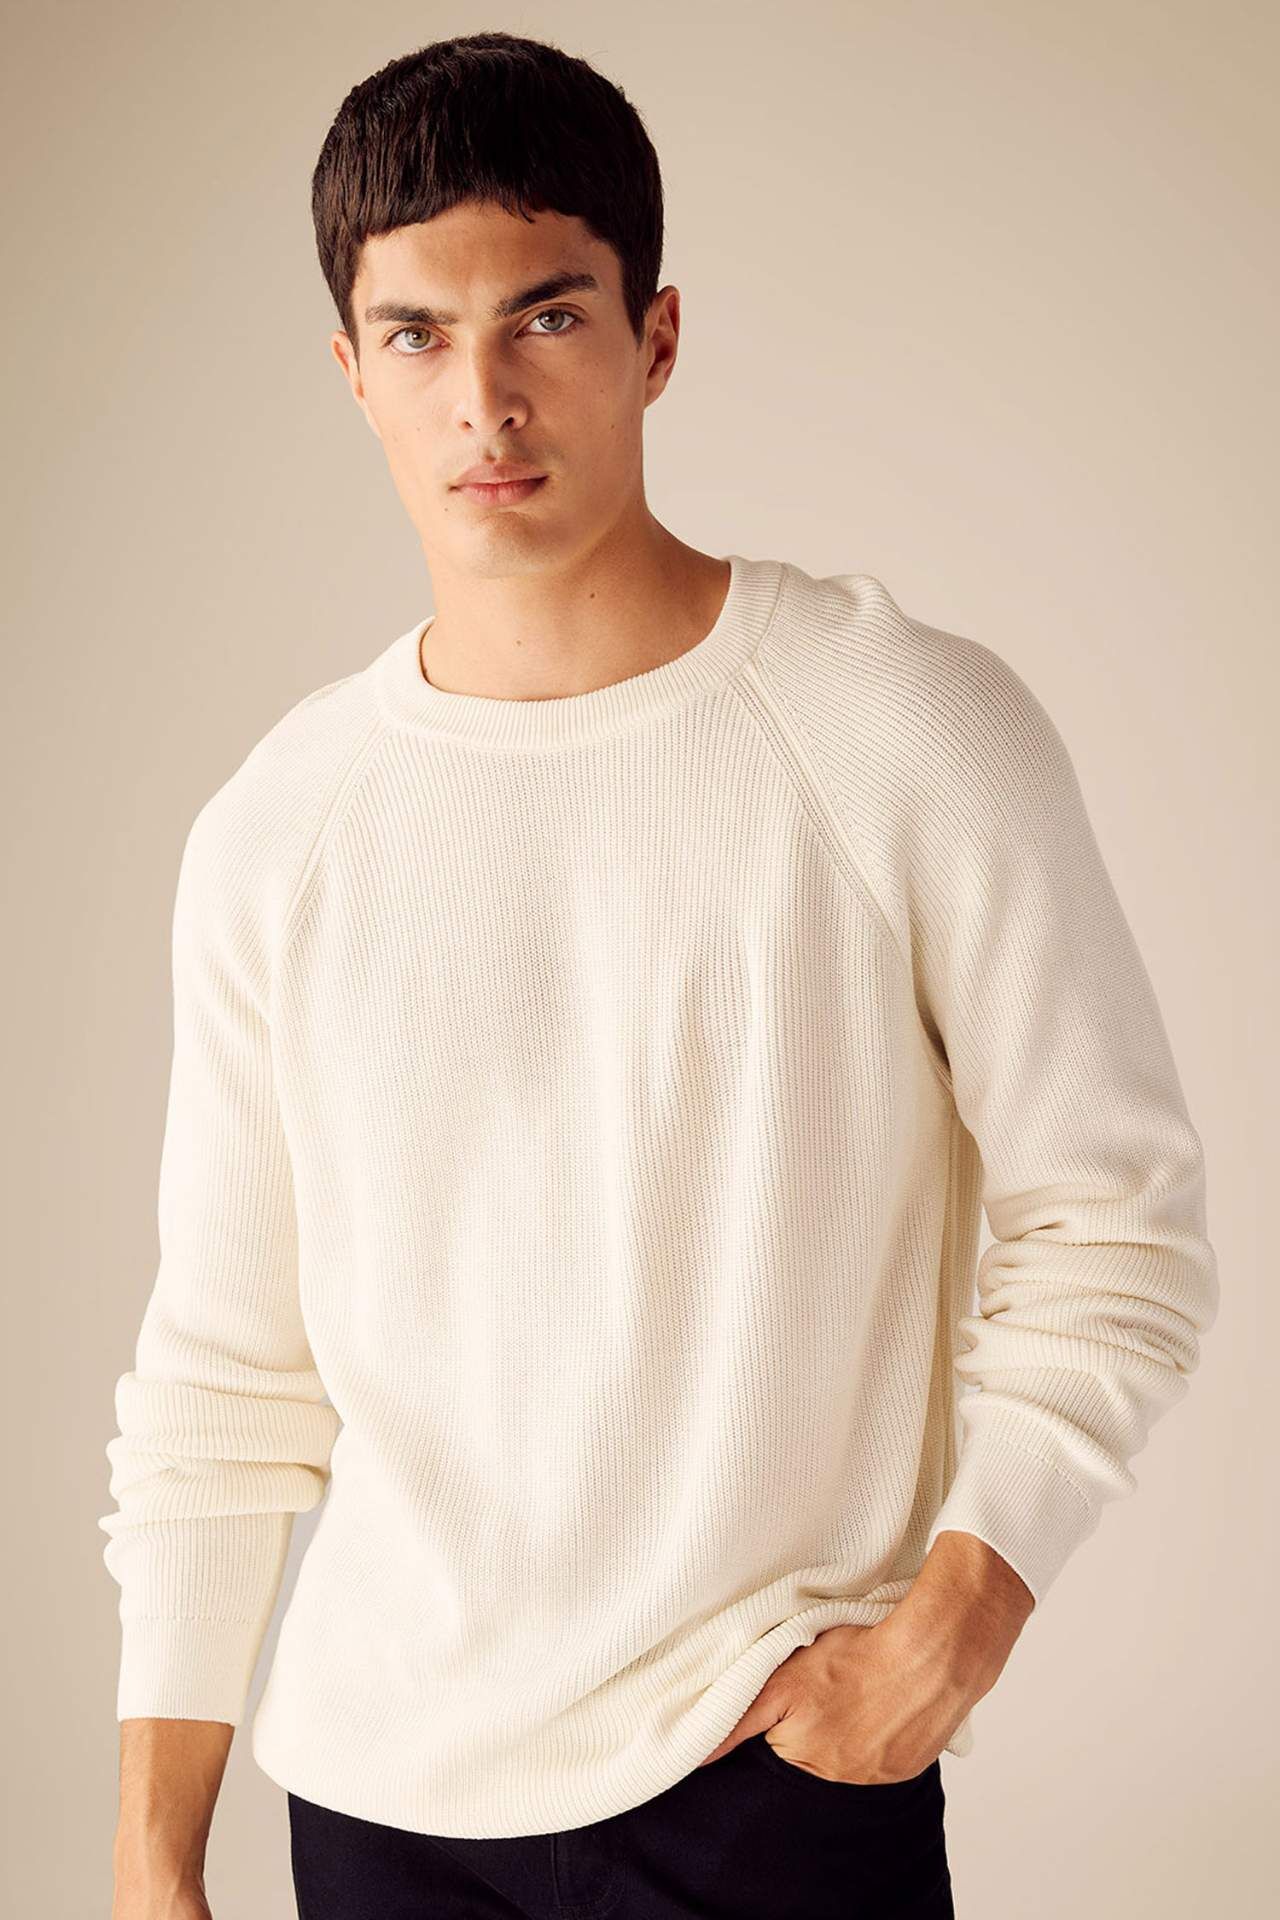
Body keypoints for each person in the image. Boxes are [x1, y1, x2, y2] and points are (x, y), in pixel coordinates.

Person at [99, 29, 1219, 1920]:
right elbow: (224, 1371)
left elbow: (1115, 1224)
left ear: (657, 337)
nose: (483, 403)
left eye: (544, 318)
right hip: (378, 1809)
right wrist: (154, 1855)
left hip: (765, 1784)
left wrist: (951, 1632)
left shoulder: (895, 727)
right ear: (352, 370)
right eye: (417, 337)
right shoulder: (279, 828)